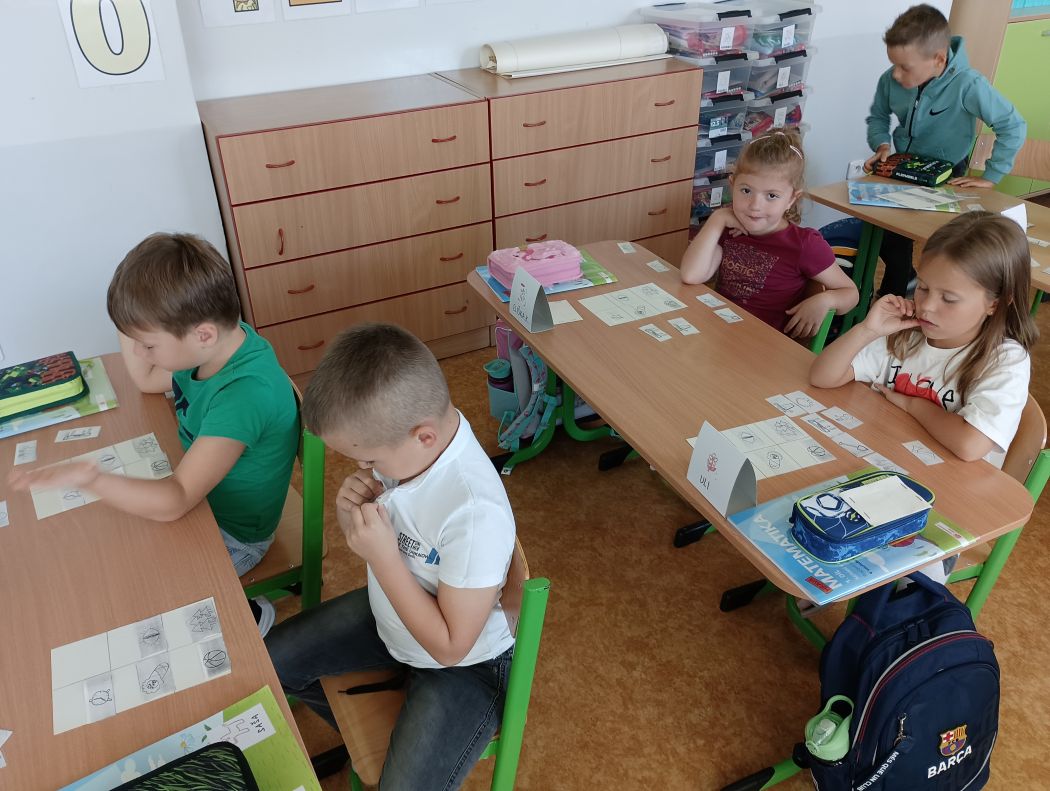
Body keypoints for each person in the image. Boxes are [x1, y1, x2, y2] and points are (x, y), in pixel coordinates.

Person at [265, 323, 517, 791]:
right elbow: (396, 537)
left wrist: (382, 558)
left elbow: (451, 647)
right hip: (395, 618)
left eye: (368, 460)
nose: (365, 469)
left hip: (464, 667)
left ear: (424, 436)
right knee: (272, 664)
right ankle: (374, 743)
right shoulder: (414, 447)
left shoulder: (474, 512)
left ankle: (388, 753)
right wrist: (351, 519)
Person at [8, 233, 299, 631]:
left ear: (203, 334)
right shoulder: (216, 342)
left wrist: (91, 479)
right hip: (199, 498)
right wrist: (130, 317)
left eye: (148, 345)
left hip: (232, 537)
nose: (139, 353)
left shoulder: (243, 395)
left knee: (132, 591)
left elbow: (175, 500)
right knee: (98, 549)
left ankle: (250, 610)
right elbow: (147, 380)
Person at [810, 210, 1036, 470]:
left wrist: (912, 404)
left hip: (950, 480)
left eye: (948, 299)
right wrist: (867, 330)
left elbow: (970, 445)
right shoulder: (905, 333)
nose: (926, 306)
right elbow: (822, 377)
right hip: (887, 456)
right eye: (923, 288)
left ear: (995, 303)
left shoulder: (1005, 360)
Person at [864, 3, 1026, 297]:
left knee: (939, 243)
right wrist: (881, 143)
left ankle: (900, 293)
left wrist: (991, 176)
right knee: (884, 232)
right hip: (902, 165)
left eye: (905, 67)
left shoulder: (969, 84)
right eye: (893, 64)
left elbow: (1013, 125)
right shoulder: (891, 78)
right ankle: (901, 285)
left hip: (948, 173)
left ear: (938, 59)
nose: (895, 74)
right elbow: (878, 116)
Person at [680, 129, 858, 337]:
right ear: (732, 185)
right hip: (718, 332)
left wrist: (826, 300)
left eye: (772, 196)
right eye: (746, 191)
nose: (755, 206)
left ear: (791, 199)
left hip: (764, 346)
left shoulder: (805, 244)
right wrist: (718, 218)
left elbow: (851, 294)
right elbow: (691, 275)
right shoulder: (728, 228)